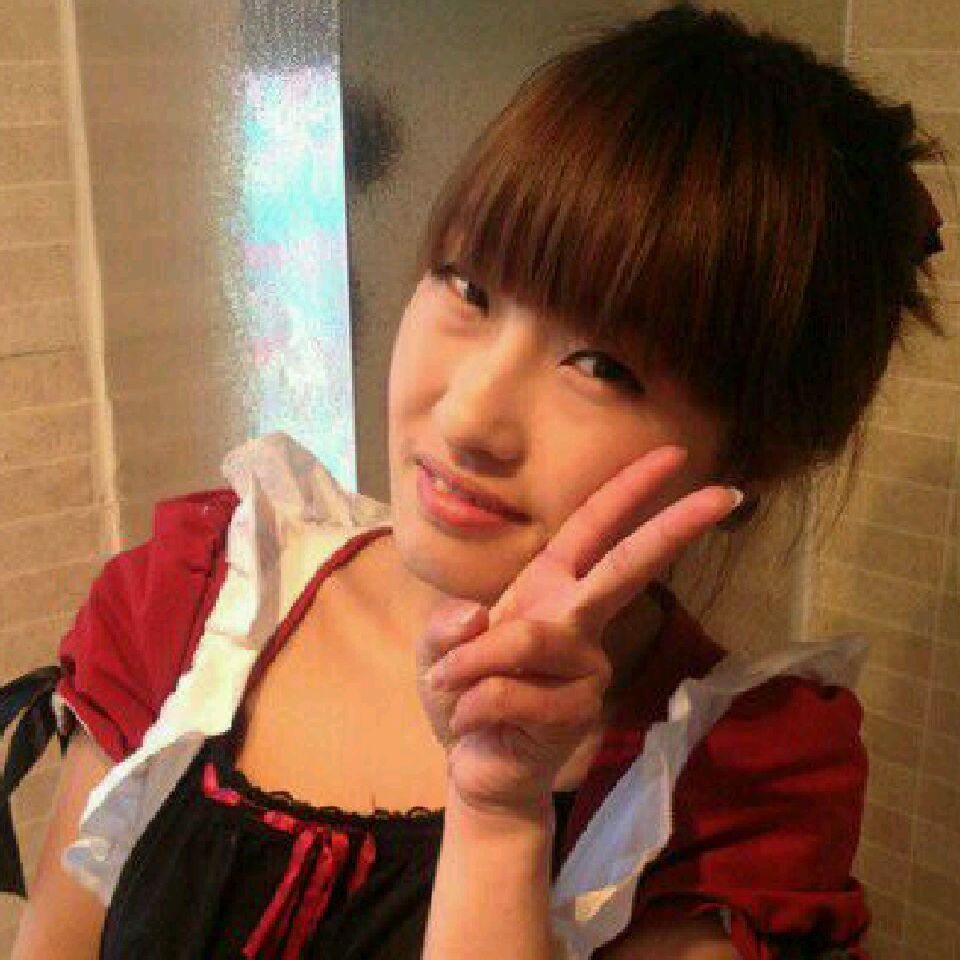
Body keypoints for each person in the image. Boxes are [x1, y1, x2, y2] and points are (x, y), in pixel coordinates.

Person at [1, 3, 947, 958]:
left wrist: (499, 817)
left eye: (603, 366)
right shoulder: (196, 597)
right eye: (468, 286)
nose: (465, 417)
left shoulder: (737, 784)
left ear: (752, 454)